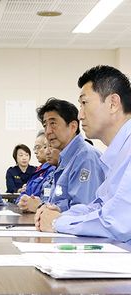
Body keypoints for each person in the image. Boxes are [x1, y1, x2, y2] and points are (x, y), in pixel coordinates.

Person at [36, 65, 131, 242]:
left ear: (113, 103)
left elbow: (116, 224)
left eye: (84, 103)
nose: (80, 115)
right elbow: (98, 207)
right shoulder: (117, 155)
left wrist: (58, 222)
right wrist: (65, 216)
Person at [34, 98, 104, 212]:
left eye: (53, 123)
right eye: (45, 125)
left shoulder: (86, 157)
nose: (47, 131)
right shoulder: (66, 158)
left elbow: (84, 212)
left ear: (73, 126)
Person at [18, 143, 59, 213]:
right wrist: (22, 201)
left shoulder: (53, 170)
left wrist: (37, 205)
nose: (36, 152)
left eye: (39, 147)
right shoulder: (38, 171)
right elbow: (24, 194)